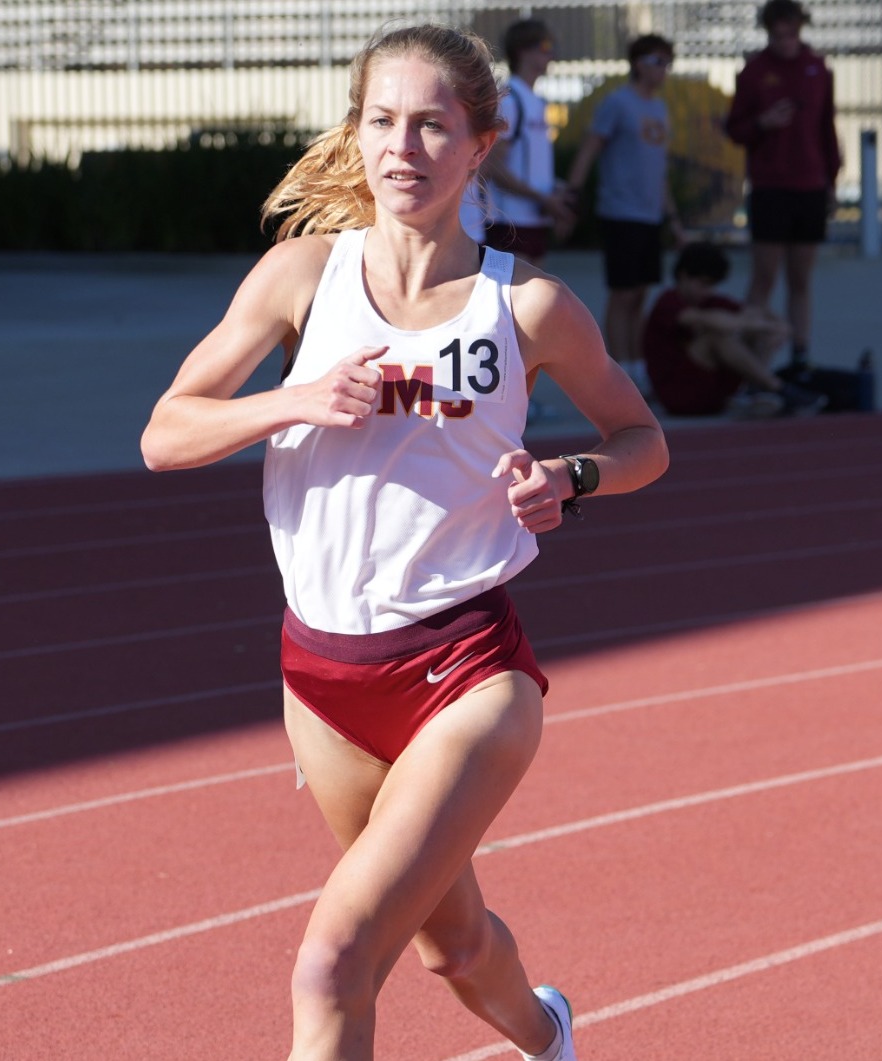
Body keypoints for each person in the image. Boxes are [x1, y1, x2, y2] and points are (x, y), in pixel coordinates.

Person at [140, 24, 668, 1061]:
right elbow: (165, 432)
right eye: (381, 121)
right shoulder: (301, 278)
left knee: (332, 962)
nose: (402, 146)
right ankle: (545, 1033)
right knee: (452, 945)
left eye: (431, 125)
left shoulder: (525, 306)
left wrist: (571, 476)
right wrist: (291, 399)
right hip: (322, 677)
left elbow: (643, 438)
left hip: (466, 671)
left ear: (480, 143)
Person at [566, 33, 688, 396]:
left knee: (641, 293)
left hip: (650, 215)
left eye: (667, 62)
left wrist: (674, 219)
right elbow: (590, 149)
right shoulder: (618, 103)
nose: (663, 69)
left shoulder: (660, 109)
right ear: (638, 63)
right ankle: (614, 373)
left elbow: (659, 169)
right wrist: (572, 194)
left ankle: (636, 366)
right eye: (657, 61)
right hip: (620, 211)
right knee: (622, 294)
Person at [725, 0, 841, 372]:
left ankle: (801, 354)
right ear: (768, 32)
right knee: (764, 275)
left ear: (799, 30)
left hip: (809, 186)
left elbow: (827, 129)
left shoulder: (817, 69)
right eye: (778, 35)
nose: (785, 42)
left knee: (801, 278)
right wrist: (763, 123)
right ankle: (747, 358)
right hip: (770, 186)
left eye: (791, 34)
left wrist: (832, 181)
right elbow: (735, 129)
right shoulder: (754, 72)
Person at [642, 241, 827, 418]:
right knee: (716, 336)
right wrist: (756, 324)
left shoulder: (710, 302)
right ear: (683, 275)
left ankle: (754, 390)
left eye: (712, 285)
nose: (707, 291)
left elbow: (754, 313)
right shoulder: (667, 303)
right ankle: (777, 388)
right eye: (703, 283)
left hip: (713, 391)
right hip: (678, 394)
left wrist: (779, 327)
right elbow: (710, 321)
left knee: (754, 330)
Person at [482, 18, 577, 266]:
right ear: (523, 50)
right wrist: (542, 198)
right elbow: (492, 166)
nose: (553, 53)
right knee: (510, 302)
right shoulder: (510, 100)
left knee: (531, 303)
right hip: (509, 222)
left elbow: (528, 168)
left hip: (534, 221)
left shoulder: (536, 101)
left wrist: (554, 192)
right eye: (546, 46)